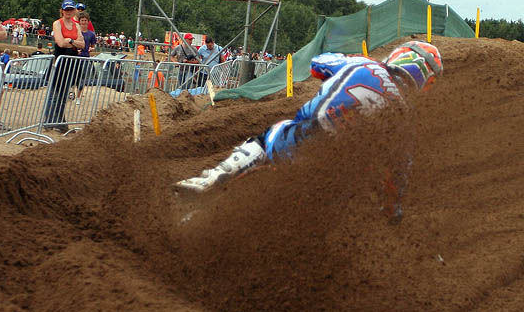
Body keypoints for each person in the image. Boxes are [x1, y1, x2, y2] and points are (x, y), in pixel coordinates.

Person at [176, 41, 443, 205]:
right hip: (334, 178)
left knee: (274, 133)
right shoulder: (405, 120)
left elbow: (317, 64)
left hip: (303, 139)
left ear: (401, 55)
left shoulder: (365, 65)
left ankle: (213, 178)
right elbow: (395, 186)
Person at [44, 0, 84, 131]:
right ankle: (50, 120)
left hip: (71, 61)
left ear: (74, 11)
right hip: (60, 60)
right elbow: (60, 43)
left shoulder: (76, 25)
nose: (68, 12)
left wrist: (71, 41)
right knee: (55, 92)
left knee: (63, 93)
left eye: (71, 9)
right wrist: (74, 43)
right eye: (66, 10)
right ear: (62, 11)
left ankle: (59, 119)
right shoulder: (57, 23)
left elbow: (82, 44)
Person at [75, 11, 96, 104]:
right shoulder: (75, 31)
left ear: (88, 22)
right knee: (72, 76)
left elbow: (93, 46)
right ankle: (71, 92)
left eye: (85, 20)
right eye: (82, 20)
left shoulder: (91, 34)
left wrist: (91, 49)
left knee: (82, 78)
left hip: (85, 57)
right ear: (79, 21)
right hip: (74, 57)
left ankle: (78, 97)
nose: (83, 22)